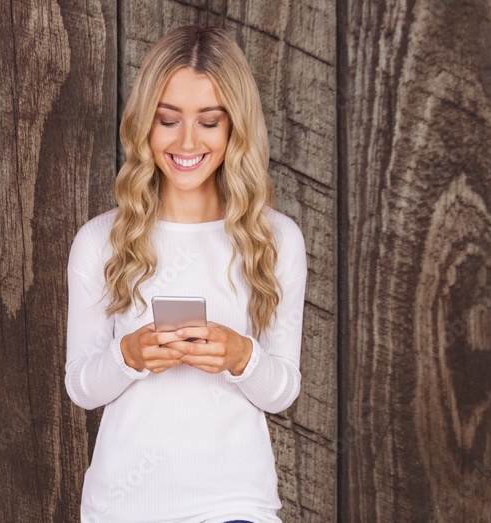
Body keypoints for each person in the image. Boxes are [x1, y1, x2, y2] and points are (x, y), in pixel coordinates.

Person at [64, 26, 308, 523]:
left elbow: (283, 391)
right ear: (145, 126)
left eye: (210, 122)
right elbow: (82, 388)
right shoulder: (100, 240)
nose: (188, 141)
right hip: (121, 507)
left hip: (236, 506)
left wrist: (241, 356)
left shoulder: (277, 239)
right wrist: (128, 355)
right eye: (168, 120)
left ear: (235, 127)